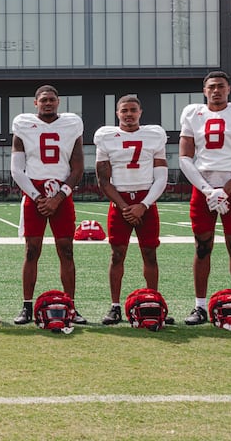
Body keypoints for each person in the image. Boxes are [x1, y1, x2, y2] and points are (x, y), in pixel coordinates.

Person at [177, 71, 231, 326]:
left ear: (229, 89)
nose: (216, 91)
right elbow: (184, 157)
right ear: (204, 90)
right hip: (203, 189)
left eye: (221, 86)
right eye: (211, 87)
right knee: (202, 247)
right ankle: (200, 306)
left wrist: (228, 188)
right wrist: (208, 190)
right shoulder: (193, 114)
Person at [10, 85, 86, 325]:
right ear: (35, 103)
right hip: (35, 194)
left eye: (52, 100)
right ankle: (26, 306)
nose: (48, 103)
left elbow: (77, 168)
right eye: (43, 100)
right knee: (32, 251)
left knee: (66, 250)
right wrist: (37, 197)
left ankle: (71, 305)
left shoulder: (72, 124)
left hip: (61, 195)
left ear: (59, 102)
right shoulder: (23, 124)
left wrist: (58, 197)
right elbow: (16, 169)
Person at [94, 95, 169, 325]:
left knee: (150, 253)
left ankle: (153, 301)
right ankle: (115, 306)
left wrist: (143, 205)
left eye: (133, 110)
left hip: (146, 199)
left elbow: (161, 176)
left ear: (140, 112)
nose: (128, 114)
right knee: (117, 255)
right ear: (117, 113)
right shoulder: (106, 137)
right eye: (124, 110)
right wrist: (126, 207)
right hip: (121, 201)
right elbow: (103, 180)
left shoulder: (154, 135)